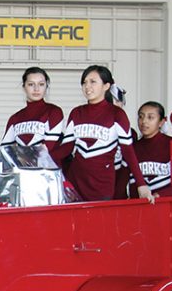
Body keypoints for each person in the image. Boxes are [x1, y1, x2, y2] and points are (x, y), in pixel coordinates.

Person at [53, 65, 153, 203]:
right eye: (84, 82)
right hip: (75, 182)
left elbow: (128, 152)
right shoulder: (76, 112)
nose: (87, 86)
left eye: (93, 82)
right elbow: (66, 148)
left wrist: (141, 184)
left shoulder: (117, 114)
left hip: (102, 185)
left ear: (106, 86)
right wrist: (38, 157)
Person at [127, 101, 172, 198]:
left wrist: (159, 195)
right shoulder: (131, 148)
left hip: (167, 208)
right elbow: (123, 182)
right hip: (138, 210)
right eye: (141, 116)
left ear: (161, 122)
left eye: (150, 117)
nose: (144, 121)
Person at [2, 67, 64, 155]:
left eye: (41, 84)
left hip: (48, 168)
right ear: (24, 87)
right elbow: (5, 150)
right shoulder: (15, 118)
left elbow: (48, 148)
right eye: (31, 84)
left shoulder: (54, 112)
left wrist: (21, 156)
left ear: (46, 86)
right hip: (20, 168)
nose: (36, 89)